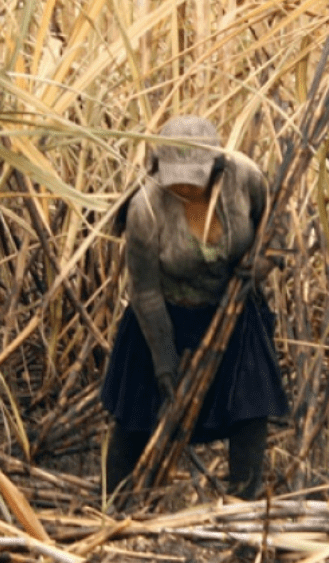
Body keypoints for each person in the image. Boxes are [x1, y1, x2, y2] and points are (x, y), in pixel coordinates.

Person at [100, 116, 289, 499]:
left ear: (215, 168)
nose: (184, 186)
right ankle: (114, 500)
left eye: (194, 177)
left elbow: (275, 232)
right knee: (136, 415)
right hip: (165, 316)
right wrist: (165, 358)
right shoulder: (145, 209)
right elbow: (145, 292)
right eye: (176, 178)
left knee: (250, 408)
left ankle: (245, 504)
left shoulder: (245, 179)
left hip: (232, 312)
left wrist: (262, 264)